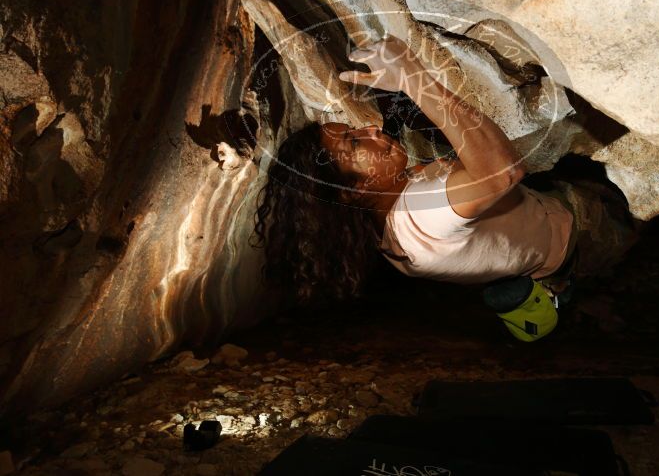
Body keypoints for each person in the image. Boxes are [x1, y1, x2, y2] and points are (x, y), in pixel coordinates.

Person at [254, 35, 636, 316]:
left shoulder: (392, 221)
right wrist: (412, 77)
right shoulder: (421, 217)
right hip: (581, 231)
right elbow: (504, 172)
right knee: (633, 209)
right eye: (355, 144)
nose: (370, 130)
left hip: (550, 220)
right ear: (356, 189)